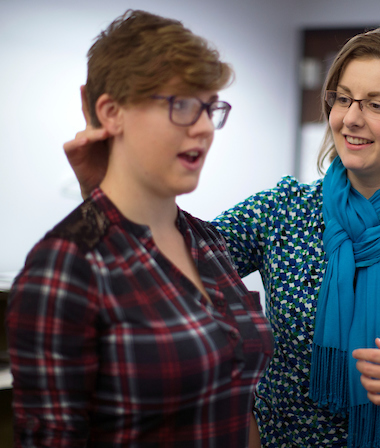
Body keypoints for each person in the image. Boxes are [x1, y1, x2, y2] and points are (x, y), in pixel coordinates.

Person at [63, 24, 380, 448]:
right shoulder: (284, 211)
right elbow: (172, 263)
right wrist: (109, 191)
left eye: (378, 105)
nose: (349, 119)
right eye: (342, 99)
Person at [6, 10, 273, 448]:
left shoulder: (208, 243)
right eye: (181, 105)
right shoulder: (65, 267)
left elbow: (238, 405)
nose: (205, 126)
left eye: (209, 107)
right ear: (111, 112)